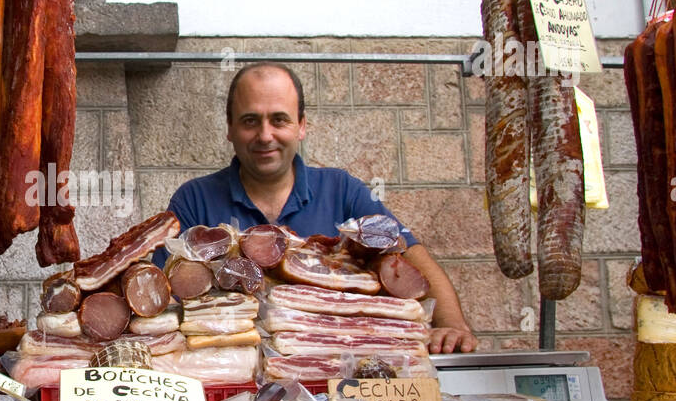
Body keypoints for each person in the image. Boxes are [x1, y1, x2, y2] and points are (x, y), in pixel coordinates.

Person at [164, 61, 477, 354]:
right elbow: (167, 301)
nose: (265, 135)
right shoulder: (194, 200)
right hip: (230, 372)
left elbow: (410, 255)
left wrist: (451, 325)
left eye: (279, 119)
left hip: (325, 368)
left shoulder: (342, 191)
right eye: (250, 121)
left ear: (301, 126)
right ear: (230, 129)